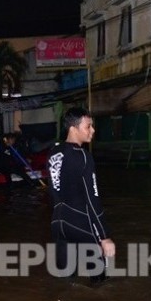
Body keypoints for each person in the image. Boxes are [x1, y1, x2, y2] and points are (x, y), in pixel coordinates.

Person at [48, 107, 115, 283]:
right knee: (100, 283)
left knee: (65, 283)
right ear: (73, 128)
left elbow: (54, 189)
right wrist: (104, 236)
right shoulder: (83, 156)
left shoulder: (54, 152)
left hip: (58, 223)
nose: (92, 130)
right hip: (80, 223)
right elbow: (92, 198)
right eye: (88, 126)